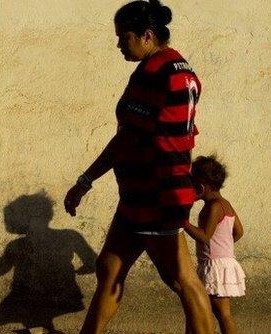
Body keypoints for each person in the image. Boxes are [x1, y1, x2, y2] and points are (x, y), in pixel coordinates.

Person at [64, 1, 214, 333]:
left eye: (124, 37)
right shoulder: (179, 69)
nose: (119, 45)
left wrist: (85, 180)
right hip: (145, 193)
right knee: (109, 268)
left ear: (147, 35)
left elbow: (129, 139)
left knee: (182, 280)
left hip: (156, 193)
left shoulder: (155, 73)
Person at [0, 193, 97, 333]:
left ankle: (40, 328)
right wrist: (82, 269)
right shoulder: (70, 236)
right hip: (60, 293)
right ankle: (42, 328)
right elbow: (91, 261)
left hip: (38, 295)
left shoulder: (17, 245)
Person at [184, 156, 245, 334]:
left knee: (212, 311)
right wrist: (224, 246)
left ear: (202, 186)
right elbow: (239, 232)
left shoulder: (213, 207)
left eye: (192, 185)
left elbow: (204, 237)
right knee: (220, 312)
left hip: (214, 266)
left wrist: (183, 223)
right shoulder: (226, 204)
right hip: (224, 262)